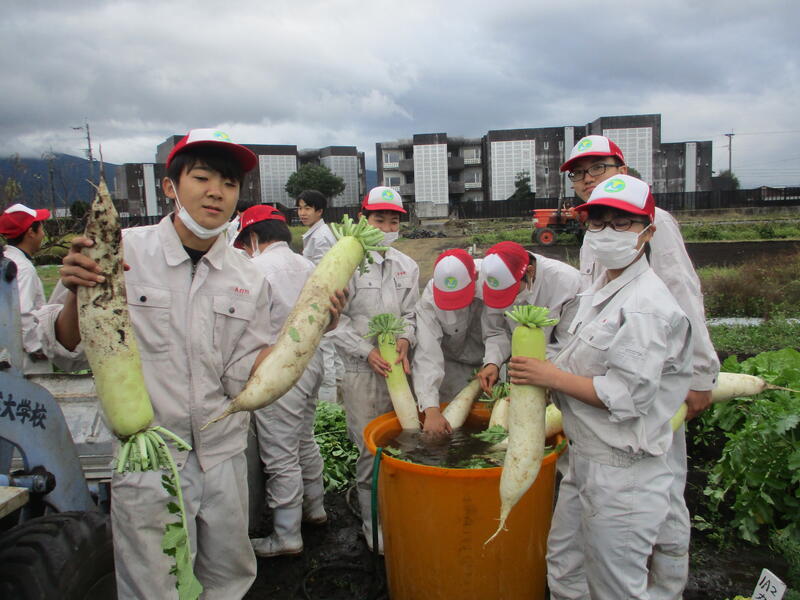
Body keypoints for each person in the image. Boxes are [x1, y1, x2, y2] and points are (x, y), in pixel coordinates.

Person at [35, 128, 345, 599]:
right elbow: (62, 349)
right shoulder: (119, 251)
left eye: (229, 183)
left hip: (223, 456)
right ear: (170, 186)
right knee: (154, 588)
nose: (216, 192)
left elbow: (246, 369)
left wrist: (311, 329)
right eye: (202, 178)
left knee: (228, 581)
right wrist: (79, 297)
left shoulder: (248, 276)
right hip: (149, 459)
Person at [509, 174, 693, 599]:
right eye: (598, 221)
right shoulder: (600, 289)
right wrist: (543, 372)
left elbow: (626, 397)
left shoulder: (646, 306)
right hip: (585, 458)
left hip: (622, 470)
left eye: (622, 222)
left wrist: (550, 377)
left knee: (615, 587)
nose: (607, 231)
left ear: (648, 232)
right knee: (565, 565)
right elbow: (580, 356)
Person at [560, 134, 719, 598]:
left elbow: (683, 293)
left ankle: (667, 586)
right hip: (608, 388)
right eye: (579, 173)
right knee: (618, 508)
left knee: (661, 489)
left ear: (622, 169)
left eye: (598, 168)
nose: (587, 179)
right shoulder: (597, 234)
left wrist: (700, 375)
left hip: (648, 386)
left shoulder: (652, 222)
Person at [327, 186, 419, 553]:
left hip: (398, 370)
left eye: (393, 221)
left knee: (404, 440)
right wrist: (367, 352)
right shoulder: (346, 263)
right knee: (370, 451)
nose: (386, 227)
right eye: (379, 219)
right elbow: (335, 323)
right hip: (361, 373)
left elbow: (411, 314)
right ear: (363, 218)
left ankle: (401, 513)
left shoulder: (407, 265)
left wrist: (406, 339)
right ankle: (373, 526)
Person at [234, 204, 328, 557]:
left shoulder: (254, 270)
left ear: (253, 237)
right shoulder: (308, 265)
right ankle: (315, 508)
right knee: (304, 438)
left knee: (280, 454)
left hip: (277, 369)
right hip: (312, 364)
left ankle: (287, 535)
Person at [475, 240, 581, 394]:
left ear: (530, 272)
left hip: (561, 373)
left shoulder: (567, 283)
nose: (508, 299)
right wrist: (493, 362)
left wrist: (538, 373)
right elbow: (497, 330)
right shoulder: (492, 280)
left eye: (511, 291)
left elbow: (569, 343)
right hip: (521, 375)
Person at [412, 248, 484, 434]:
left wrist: (495, 363)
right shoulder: (430, 298)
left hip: (490, 368)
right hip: (450, 366)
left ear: (475, 277)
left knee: (487, 423)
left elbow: (503, 332)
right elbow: (427, 351)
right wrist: (431, 410)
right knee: (450, 427)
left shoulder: (493, 281)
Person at [296, 189, 343, 403]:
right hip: (323, 300)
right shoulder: (315, 234)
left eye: (307, 208)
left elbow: (323, 275)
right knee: (331, 350)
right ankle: (339, 395)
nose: (302, 213)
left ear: (320, 211)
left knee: (326, 352)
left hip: (322, 301)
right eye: (300, 208)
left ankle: (329, 404)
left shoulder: (321, 237)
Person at [0, 203, 52, 374]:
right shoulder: (23, 268)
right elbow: (21, 312)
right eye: (41, 228)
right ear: (31, 232)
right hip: (24, 358)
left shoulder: (5, 261)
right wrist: (36, 348)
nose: (43, 234)